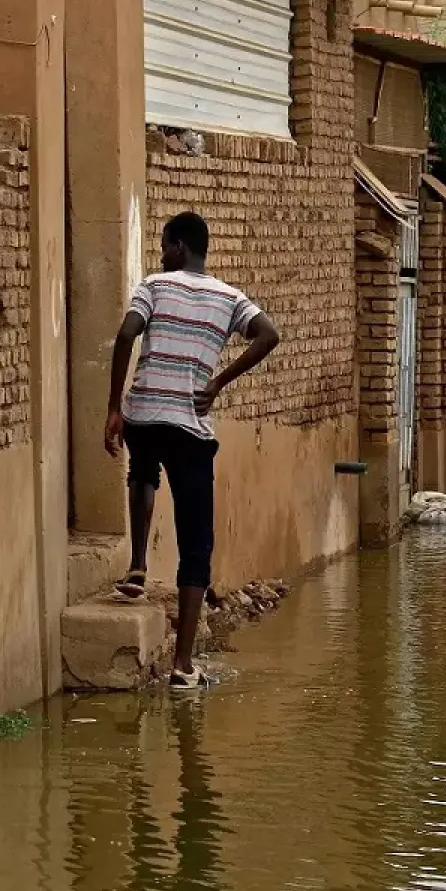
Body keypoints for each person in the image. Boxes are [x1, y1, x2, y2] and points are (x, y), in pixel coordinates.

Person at [105, 212, 281, 689]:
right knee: (196, 541)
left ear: (179, 246)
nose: (161, 254)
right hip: (190, 425)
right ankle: (183, 666)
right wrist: (218, 382)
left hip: (144, 412)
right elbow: (269, 334)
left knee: (141, 473)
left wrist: (114, 409)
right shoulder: (230, 298)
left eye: (164, 245)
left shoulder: (154, 286)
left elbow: (126, 335)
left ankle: (139, 564)